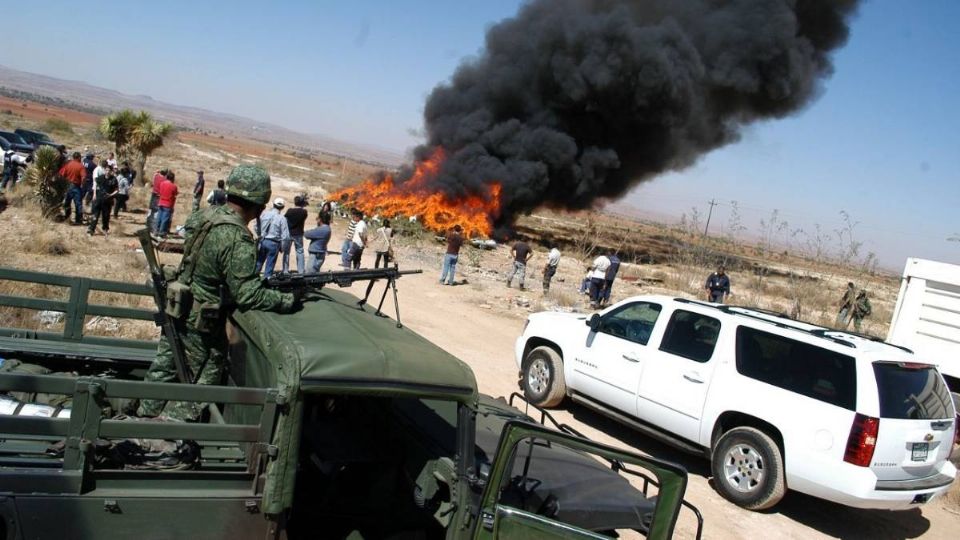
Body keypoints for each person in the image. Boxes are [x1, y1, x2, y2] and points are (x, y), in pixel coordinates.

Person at [138, 164, 297, 422]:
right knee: (207, 376)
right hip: (201, 321)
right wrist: (288, 300)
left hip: (177, 306)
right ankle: (166, 431)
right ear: (258, 205)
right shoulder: (237, 238)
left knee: (163, 369)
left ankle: (142, 420)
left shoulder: (204, 217)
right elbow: (248, 295)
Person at [255, 198, 290, 278]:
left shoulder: (264, 214)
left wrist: (260, 235)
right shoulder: (282, 219)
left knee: (259, 262)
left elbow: (256, 227)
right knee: (270, 265)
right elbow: (285, 236)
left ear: (273, 205)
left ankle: (253, 280)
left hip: (263, 241)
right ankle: (266, 281)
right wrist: (282, 247)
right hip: (274, 243)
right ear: (283, 207)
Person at [88, 167, 119, 236]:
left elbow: (117, 190)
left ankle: (105, 229)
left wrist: (111, 195)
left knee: (106, 216)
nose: (107, 172)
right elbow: (95, 183)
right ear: (104, 171)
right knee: (95, 215)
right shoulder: (101, 178)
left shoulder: (113, 179)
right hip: (99, 199)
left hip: (107, 201)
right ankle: (91, 230)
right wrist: (94, 194)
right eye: (106, 170)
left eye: (109, 171)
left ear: (111, 171)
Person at [282, 195, 308, 274]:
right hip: (298, 234)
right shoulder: (304, 212)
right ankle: (301, 270)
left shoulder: (289, 211)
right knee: (300, 251)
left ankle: (285, 270)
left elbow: (285, 219)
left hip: (289, 233)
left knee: (286, 252)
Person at [59, 152, 86, 225]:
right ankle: (78, 220)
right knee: (78, 204)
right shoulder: (80, 166)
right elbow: (83, 177)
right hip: (76, 186)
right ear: (79, 157)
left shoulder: (68, 164)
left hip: (68, 185)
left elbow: (62, 174)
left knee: (67, 202)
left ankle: (67, 217)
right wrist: (82, 185)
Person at [154, 171, 178, 236]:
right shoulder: (174, 186)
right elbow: (175, 194)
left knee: (159, 217)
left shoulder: (162, 183)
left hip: (161, 202)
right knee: (165, 219)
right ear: (173, 178)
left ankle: (156, 230)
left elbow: (159, 192)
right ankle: (162, 232)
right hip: (168, 204)